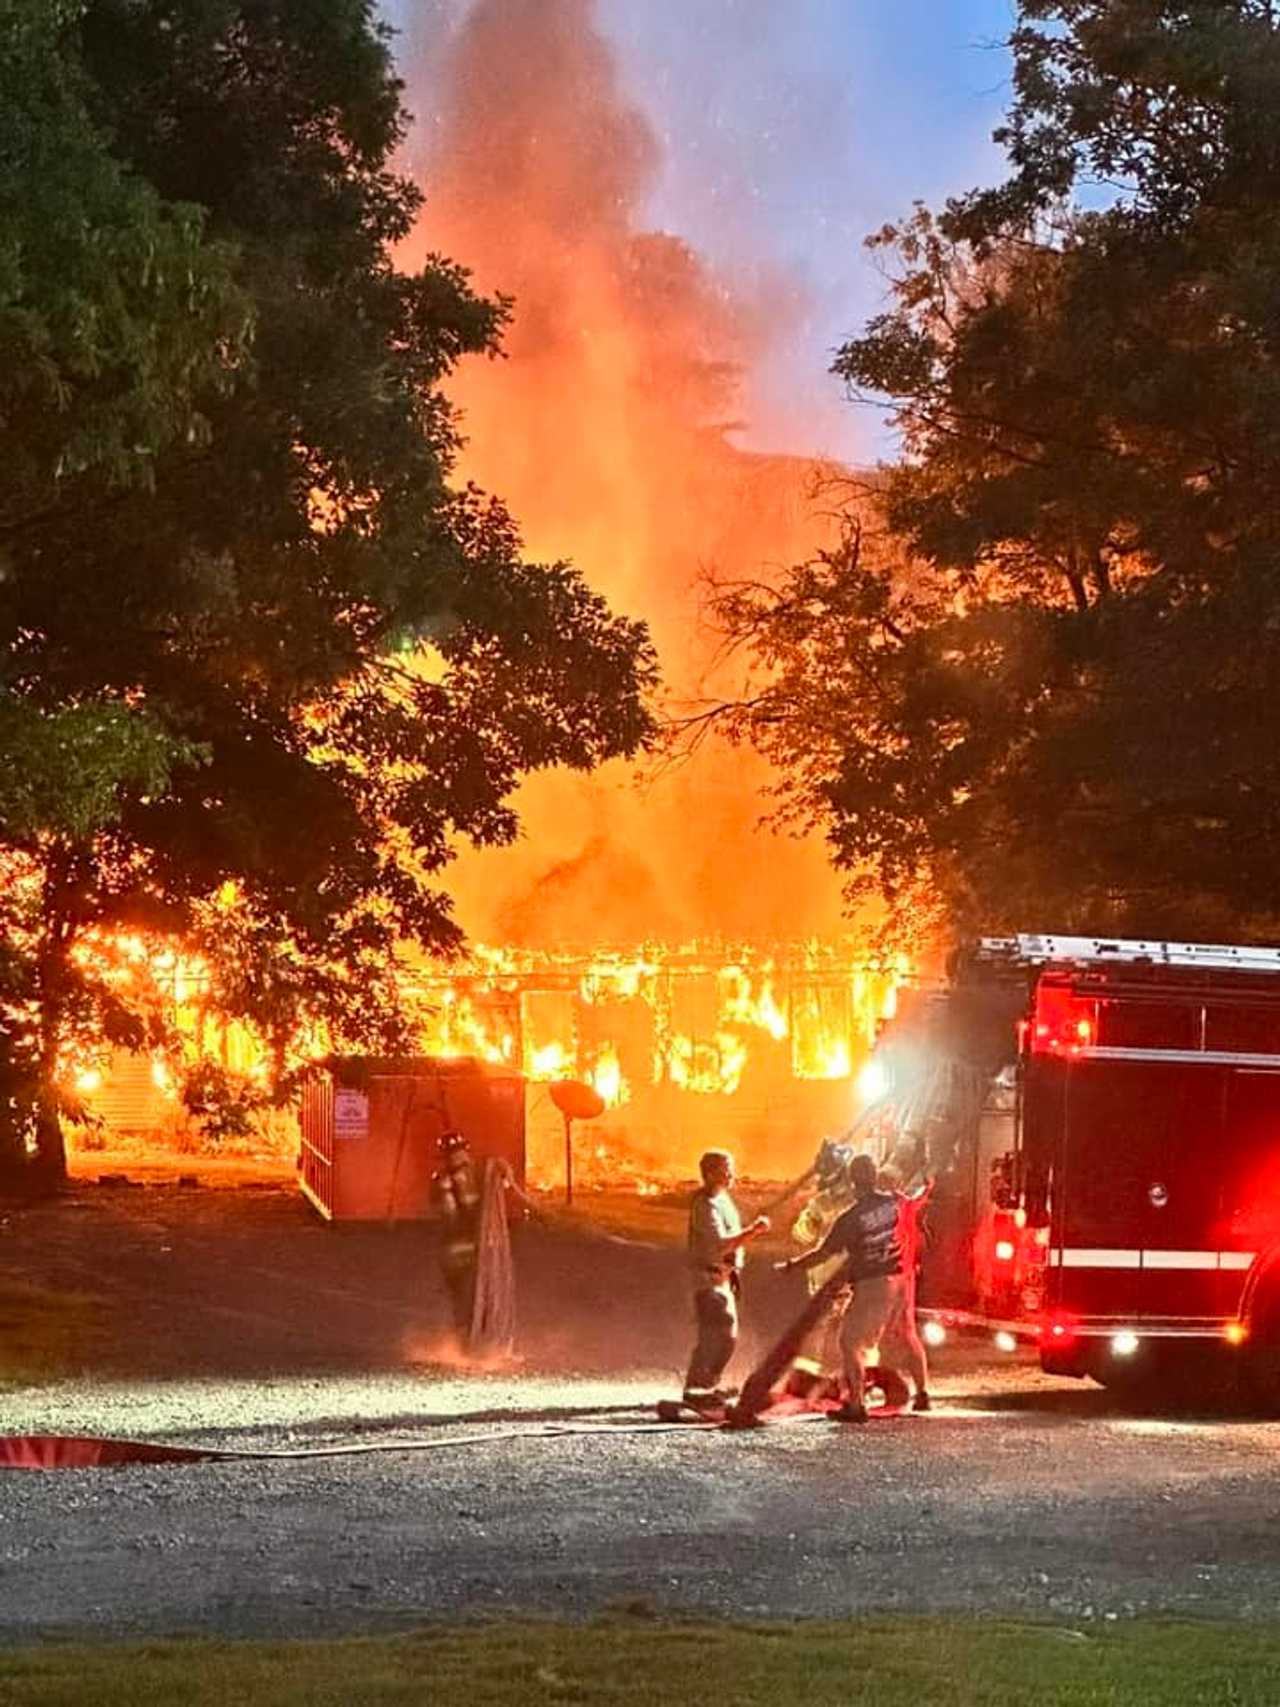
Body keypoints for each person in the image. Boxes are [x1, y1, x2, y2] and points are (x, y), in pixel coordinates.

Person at [776, 1152, 918, 1424]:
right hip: (897, 1282)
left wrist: (792, 1266)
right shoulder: (893, 1204)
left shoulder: (850, 1218)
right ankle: (859, 1389)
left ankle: (856, 1404)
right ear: (875, 1176)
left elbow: (822, 1253)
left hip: (872, 1283)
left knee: (849, 1342)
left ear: (853, 1181)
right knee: (864, 1342)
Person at [683, 1149, 769, 1412]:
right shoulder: (705, 1205)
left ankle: (706, 1385)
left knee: (726, 1336)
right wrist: (754, 1231)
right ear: (709, 1173)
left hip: (723, 1278)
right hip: (708, 1278)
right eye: (725, 1168)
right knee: (715, 1335)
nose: (730, 1173)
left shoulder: (722, 1200)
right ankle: (696, 1389)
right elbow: (720, 1245)